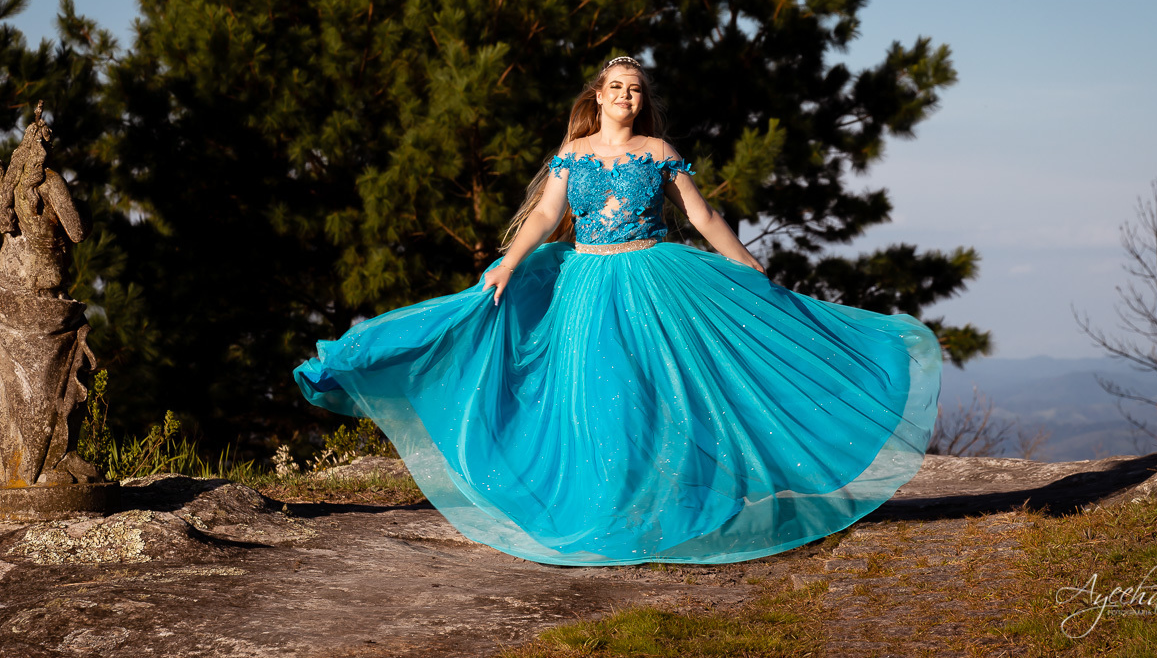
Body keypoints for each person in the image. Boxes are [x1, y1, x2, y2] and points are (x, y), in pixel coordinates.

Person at [295, 56, 942, 566]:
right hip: (587, 286)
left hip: (655, 279)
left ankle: (670, 510)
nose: (626, 96)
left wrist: (744, 261)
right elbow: (549, 215)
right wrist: (508, 264)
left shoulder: (659, 152)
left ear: (641, 100)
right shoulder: (572, 154)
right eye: (617, 87)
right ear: (598, 97)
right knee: (596, 395)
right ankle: (608, 511)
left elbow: (701, 214)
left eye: (635, 88)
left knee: (658, 393)